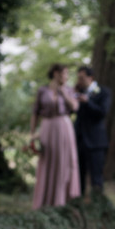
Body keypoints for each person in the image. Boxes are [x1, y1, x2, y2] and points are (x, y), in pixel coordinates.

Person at [30, 63, 81, 209]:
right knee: (46, 161)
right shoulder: (43, 91)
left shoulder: (69, 90)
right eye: (65, 73)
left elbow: (75, 107)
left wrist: (63, 93)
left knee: (64, 161)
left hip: (64, 128)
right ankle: (44, 200)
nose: (66, 77)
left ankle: (62, 199)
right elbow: (35, 113)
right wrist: (32, 133)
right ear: (56, 74)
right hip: (47, 128)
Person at [73, 64, 111, 196]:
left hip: (96, 142)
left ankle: (97, 201)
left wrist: (87, 102)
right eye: (78, 78)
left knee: (96, 175)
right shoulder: (77, 93)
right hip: (79, 140)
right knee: (79, 174)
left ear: (91, 78)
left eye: (82, 78)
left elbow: (102, 113)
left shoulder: (103, 92)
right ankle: (80, 199)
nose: (80, 81)